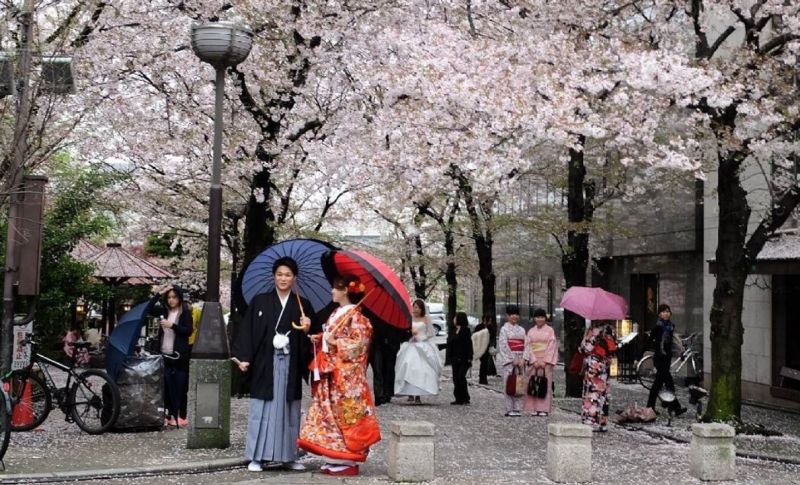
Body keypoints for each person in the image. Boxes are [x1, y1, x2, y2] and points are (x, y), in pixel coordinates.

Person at [231, 257, 318, 472]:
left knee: (289, 410)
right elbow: (248, 332)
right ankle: (256, 456)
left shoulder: (303, 305)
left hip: (290, 364)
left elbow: (314, 339)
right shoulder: (260, 301)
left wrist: (308, 330)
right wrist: (244, 357)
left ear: (294, 278)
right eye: (279, 274)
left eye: (288, 275)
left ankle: (288, 456)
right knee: (262, 409)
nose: (283, 278)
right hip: (265, 363)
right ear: (273, 276)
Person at [298, 274, 379, 477]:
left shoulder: (358, 317)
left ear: (345, 291)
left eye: (335, 288)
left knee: (345, 416)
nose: (332, 291)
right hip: (331, 374)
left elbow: (359, 346)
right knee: (329, 415)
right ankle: (333, 457)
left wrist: (335, 343)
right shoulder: (338, 313)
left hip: (346, 379)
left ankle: (347, 459)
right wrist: (320, 339)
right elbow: (332, 338)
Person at [150, 285, 193, 428]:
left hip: (180, 355)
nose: (171, 300)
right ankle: (167, 415)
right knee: (166, 386)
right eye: (168, 297)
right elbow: (148, 308)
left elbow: (188, 331)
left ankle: (181, 415)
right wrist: (158, 293)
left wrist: (172, 325)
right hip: (165, 353)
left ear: (179, 298)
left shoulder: (185, 313)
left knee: (180, 385)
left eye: (174, 297)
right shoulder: (164, 311)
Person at [394, 299, 442, 404]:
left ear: (421, 309)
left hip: (422, 345)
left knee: (422, 370)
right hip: (410, 345)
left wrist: (421, 338)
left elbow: (430, 334)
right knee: (408, 367)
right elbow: (405, 332)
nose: (415, 309)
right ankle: (410, 393)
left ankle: (418, 395)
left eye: (417, 307)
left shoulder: (426, 319)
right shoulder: (409, 318)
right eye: (413, 307)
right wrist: (410, 336)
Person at [644, 304, 687, 416]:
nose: (666, 313)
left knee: (657, 385)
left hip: (667, 359)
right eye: (663, 311)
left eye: (668, 311)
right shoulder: (657, 327)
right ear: (659, 314)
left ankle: (651, 407)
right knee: (669, 384)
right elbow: (648, 342)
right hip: (659, 359)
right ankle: (675, 407)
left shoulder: (671, 326)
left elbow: (672, 342)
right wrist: (637, 357)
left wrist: (679, 352)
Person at [579, 319, 617, 432]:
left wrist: (585, 337)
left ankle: (590, 420)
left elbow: (585, 349)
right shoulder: (611, 329)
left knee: (592, 392)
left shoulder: (594, 330)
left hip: (594, 365)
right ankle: (602, 421)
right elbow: (613, 348)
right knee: (603, 393)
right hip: (605, 364)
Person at [523, 308, 558, 416]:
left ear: (545, 318)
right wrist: (533, 360)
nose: (539, 319)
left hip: (545, 362)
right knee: (533, 383)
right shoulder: (531, 331)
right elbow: (528, 346)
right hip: (534, 361)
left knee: (545, 384)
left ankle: (544, 409)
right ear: (534, 318)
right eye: (537, 317)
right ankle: (534, 408)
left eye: (542, 317)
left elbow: (552, 346)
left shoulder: (550, 330)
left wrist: (545, 360)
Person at [369, 317, 406, 406]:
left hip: (391, 345)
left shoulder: (395, 315)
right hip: (377, 344)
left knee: (389, 370)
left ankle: (387, 393)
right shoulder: (374, 314)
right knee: (378, 369)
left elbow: (401, 331)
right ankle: (379, 396)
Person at [498, 305, 526, 417]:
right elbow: (503, 345)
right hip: (510, 361)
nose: (514, 316)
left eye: (516, 314)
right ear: (507, 316)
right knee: (509, 383)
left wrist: (523, 358)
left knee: (519, 383)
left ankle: (518, 408)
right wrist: (512, 359)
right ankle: (509, 408)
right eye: (512, 314)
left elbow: (526, 345)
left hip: (520, 359)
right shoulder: (504, 329)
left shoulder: (522, 330)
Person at [448, 312, 473, 405]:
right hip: (455, 358)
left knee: (461, 377)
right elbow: (450, 344)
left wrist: (470, 357)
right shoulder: (454, 330)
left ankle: (465, 397)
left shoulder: (466, 330)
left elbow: (469, 344)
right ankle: (458, 398)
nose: (454, 319)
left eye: (455, 318)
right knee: (455, 378)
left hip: (464, 358)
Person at [474, 313, 498, 384]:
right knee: (483, 363)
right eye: (489, 320)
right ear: (485, 320)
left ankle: (483, 378)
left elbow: (493, 336)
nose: (490, 322)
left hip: (487, 347)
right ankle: (482, 379)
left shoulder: (490, 327)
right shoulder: (479, 327)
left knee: (484, 363)